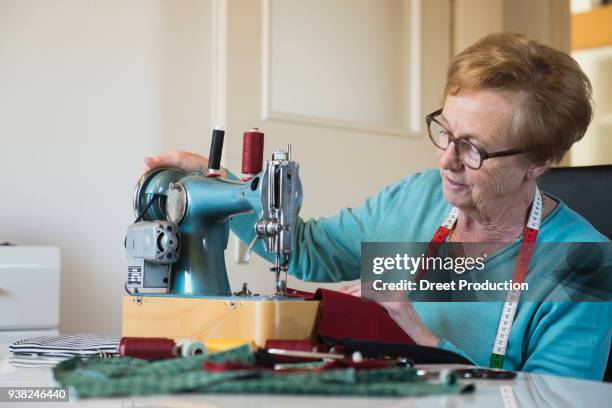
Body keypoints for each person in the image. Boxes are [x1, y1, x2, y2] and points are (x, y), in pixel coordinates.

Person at [144, 33, 611, 380]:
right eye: (445, 131)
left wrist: (420, 338)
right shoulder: (417, 199)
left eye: (474, 149)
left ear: (540, 162)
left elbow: (555, 401)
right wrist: (216, 184)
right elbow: (307, 250)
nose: (445, 160)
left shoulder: (583, 266)